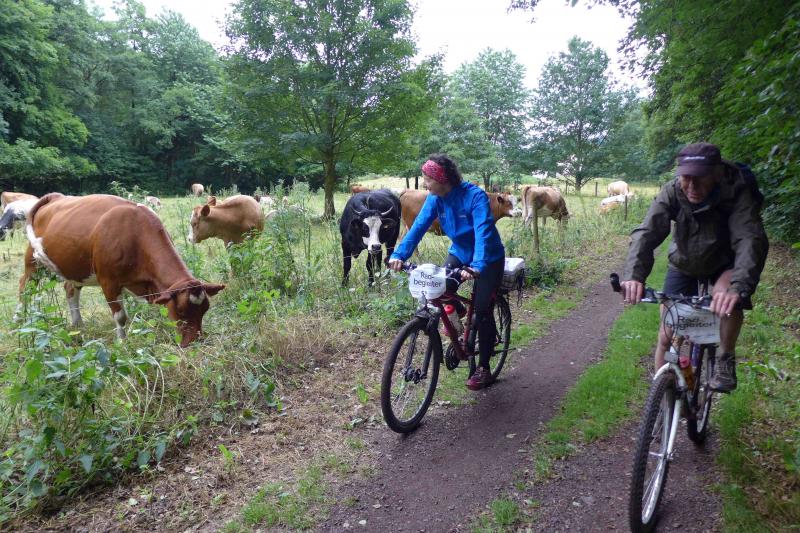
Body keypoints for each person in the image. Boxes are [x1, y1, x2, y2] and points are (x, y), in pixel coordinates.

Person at [620, 142, 769, 392]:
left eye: (700, 178)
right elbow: (647, 233)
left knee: (727, 304)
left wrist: (737, 285)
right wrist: (634, 276)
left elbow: (749, 238)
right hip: (685, 260)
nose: (692, 186)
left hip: (726, 262)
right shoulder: (672, 190)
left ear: (717, 174)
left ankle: (725, 358)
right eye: (686, 178)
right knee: (666, 335)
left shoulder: (736, 191)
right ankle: (661, 396)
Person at [388, 154, 505, 391]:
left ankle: (484, 368)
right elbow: (418, 227)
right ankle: (459, 313)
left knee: (482, 311)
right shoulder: (435, 199)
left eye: (428, 179)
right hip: (460, 253)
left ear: (443, 179)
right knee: (439, 289)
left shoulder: (475, 196)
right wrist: (399, 254)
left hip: (488, 258)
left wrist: (477, 266)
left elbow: (483, 232)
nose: (424, 184)